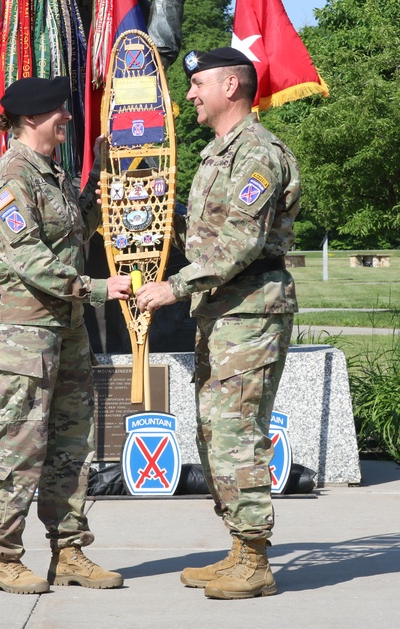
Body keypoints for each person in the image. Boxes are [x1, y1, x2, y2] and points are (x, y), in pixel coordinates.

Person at [135, 47, 300, 600]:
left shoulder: (257, 153)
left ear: (232, 85)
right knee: (215, 433)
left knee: (238, 433)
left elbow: (241, 243)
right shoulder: (216, 155)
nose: (190, 94)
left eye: (198, 83)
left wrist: (174, 286)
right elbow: (206, 238)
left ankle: (254, 561)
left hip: (250, 312)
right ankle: (238, 548)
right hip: (221, 313)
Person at [0, 76, 133, 595]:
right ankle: (2, 558)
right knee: (19, 443)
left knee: (70, 445)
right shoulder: (11, 179)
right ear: (30, 118)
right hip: (22, 334)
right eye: (59, 111)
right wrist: (99, 288)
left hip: (64, 331)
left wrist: (101, 180)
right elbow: (31, 261)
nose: (67, 117)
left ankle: (69, 552)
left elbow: (75, 231)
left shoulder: (53, 176)